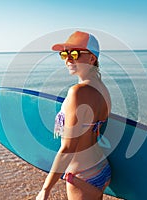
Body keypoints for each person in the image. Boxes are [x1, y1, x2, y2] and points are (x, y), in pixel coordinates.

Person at [36, 31, 112, 200]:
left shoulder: (77, 92)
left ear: (92, 59)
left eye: (75, 54)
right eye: (65, 54)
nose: (68, 59)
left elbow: (68, 149)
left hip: (82, 175)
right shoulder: (102, 88)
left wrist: (45, 189)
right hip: (101, 167)